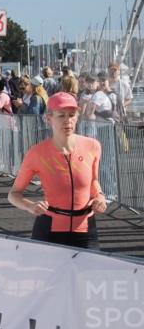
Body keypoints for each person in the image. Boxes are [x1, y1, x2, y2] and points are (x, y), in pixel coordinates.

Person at [8, 92, 106, 250]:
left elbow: (93, 181)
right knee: (46, 275)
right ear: (49, 118)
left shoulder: (93, 146)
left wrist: (100, 197)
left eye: (72, 115)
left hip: (86, 229)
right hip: (50, 231)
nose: (68, 121)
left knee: (87, 275)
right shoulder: (37, 153)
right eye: (61, 115)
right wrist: (30, 206)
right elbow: (13, 194)